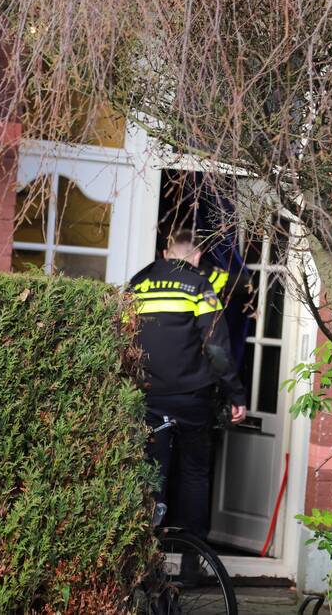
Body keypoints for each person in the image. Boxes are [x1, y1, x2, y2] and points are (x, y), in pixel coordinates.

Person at [128, 229, 247, 541]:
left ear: (166, 254)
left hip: (149, 398)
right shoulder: (198, 285)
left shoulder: (138, 283)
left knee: (152, 476)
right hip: (193, 398)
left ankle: (144, 559)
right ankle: (194, 561)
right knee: (194, 474)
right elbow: (216, 348)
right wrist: (236, 394)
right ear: (196, 257)